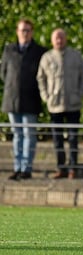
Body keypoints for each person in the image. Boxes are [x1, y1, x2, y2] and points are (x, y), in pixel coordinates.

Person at [37, 28, 83, 179]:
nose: (59, 40)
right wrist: (46, 96)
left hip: (73, 105)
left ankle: (73, 168)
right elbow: (40, 78)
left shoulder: (76, 55)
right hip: (55, 106)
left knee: (73, 138)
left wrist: (79, 94)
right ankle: (61, 168)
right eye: (56, 38)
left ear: (66, 38)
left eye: (61, 37)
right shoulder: (47, 57)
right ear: (52, 40)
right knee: (57, 139)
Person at [0, 18, 47, 180]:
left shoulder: (39, 51)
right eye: (22, 30)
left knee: (29, 134)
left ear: (32, 32)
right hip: (12, 99)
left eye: (27, 30)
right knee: (17, 134)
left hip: (30, 100)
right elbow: (3, 73)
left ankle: (27, 168)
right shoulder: (9, 49)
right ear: (17, 32)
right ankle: (17, 167)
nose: (25, 33)